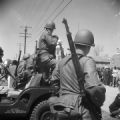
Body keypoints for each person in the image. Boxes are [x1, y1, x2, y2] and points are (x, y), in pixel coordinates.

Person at [49, 29, 106, 120]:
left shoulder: (62, 62)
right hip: (82, 110)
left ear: (75, 44)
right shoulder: (87, 61)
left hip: (62, 107)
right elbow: (94, 88)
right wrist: (100, 99)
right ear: (89, 46)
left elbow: (54, 83)